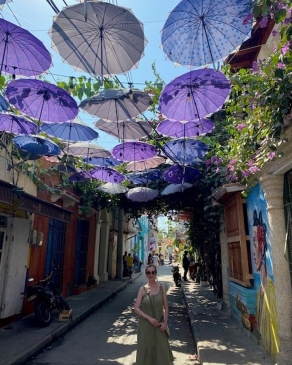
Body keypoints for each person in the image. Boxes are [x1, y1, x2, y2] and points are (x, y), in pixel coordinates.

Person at [134, 264, 174, 365]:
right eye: (148, 272)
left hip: (159, 326)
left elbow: (165, 307)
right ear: (145, 274)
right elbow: (136, 308)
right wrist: (149, 319)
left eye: (153, 272)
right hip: (146, 326)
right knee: (145, 355)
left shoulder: (162, 288)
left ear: (156, 274)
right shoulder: (142, 289)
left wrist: (165, 323)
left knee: (162, 353)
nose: (151, 274)